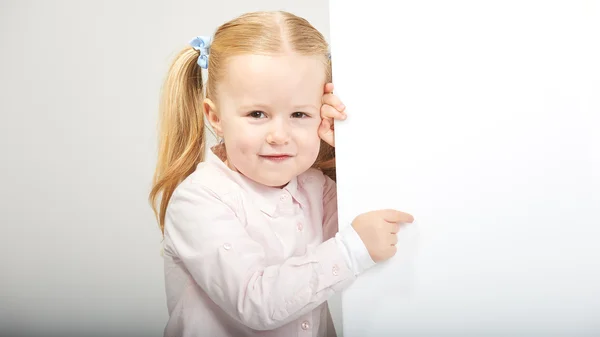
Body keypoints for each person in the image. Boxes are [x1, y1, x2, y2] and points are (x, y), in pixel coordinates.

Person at [149, 10, 415, 337]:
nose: (279, 135)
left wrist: (349, 145)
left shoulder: (317, 187)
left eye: (300, 114)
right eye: (257, 113)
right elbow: (256, 302)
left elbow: (380, 224)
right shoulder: (199, 201)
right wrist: (350, 251)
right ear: (215, 117)